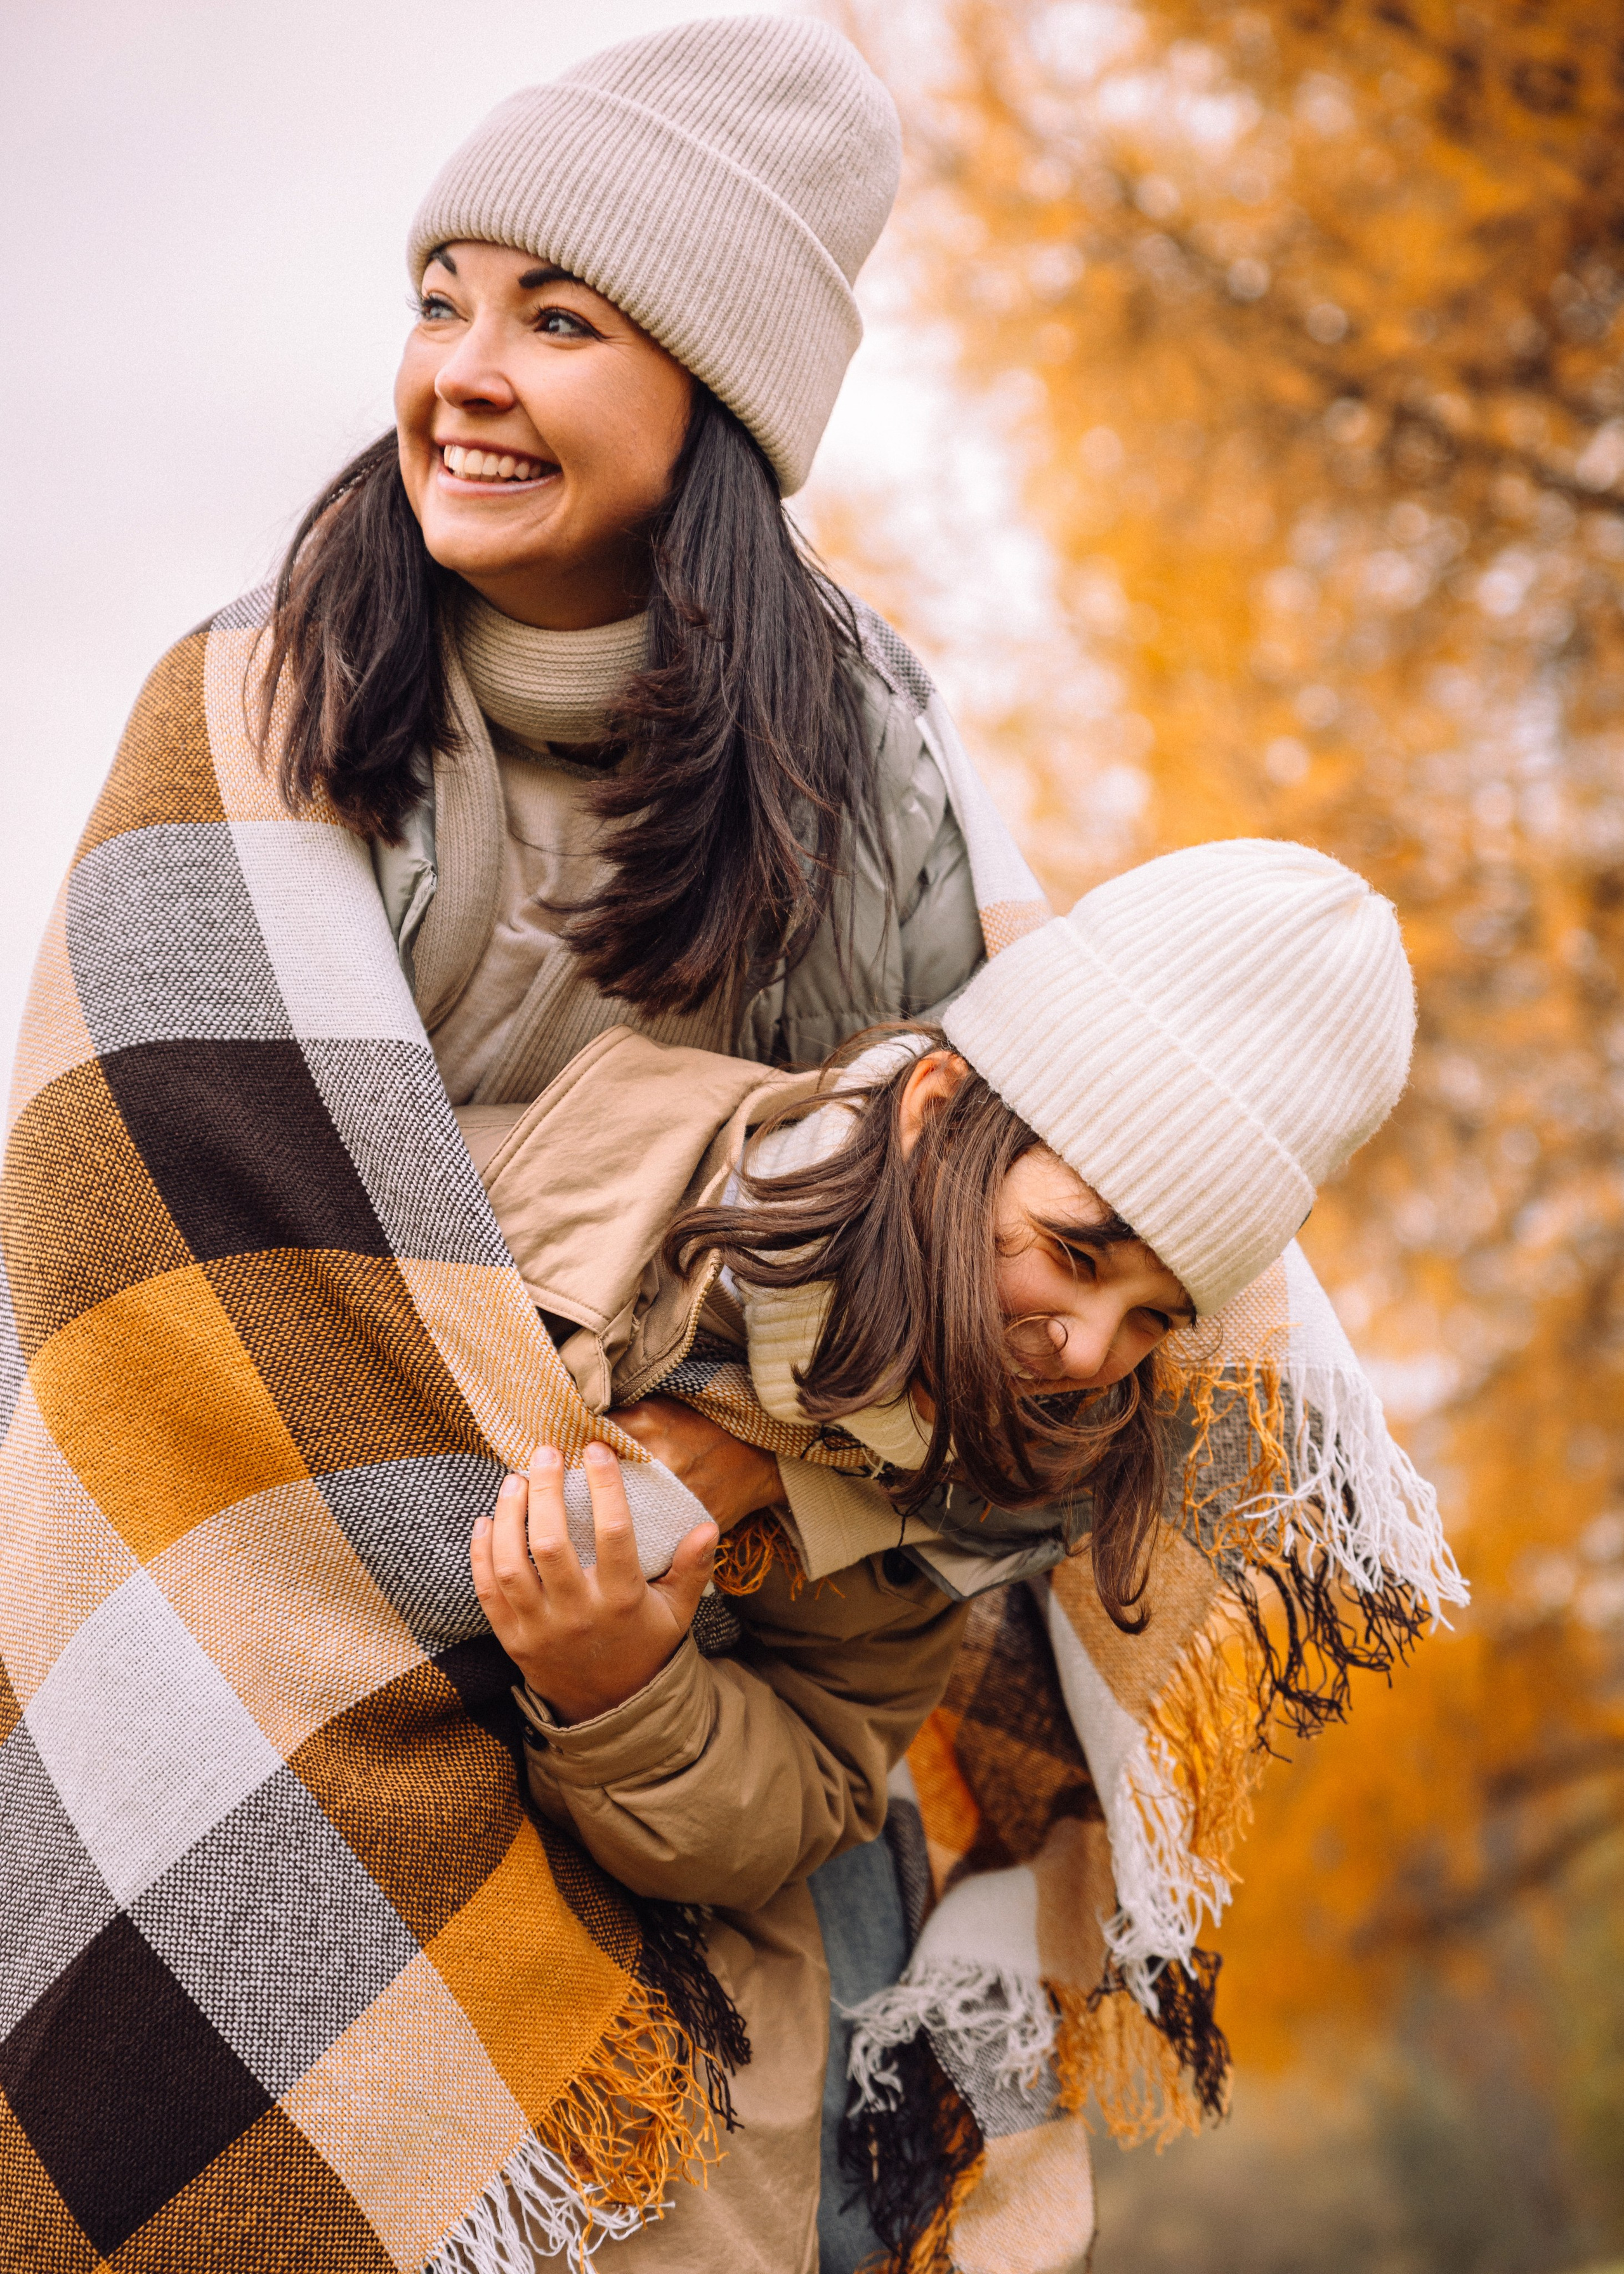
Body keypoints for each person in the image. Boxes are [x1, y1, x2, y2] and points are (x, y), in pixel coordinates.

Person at [462, 835, 1418, 2270]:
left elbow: (815, 1775)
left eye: (1156, 1318)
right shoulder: (597, 1170)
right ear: (930, 1110)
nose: (1086, 1351)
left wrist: (625, 1686)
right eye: (1077, 1254)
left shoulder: (969, 1496)